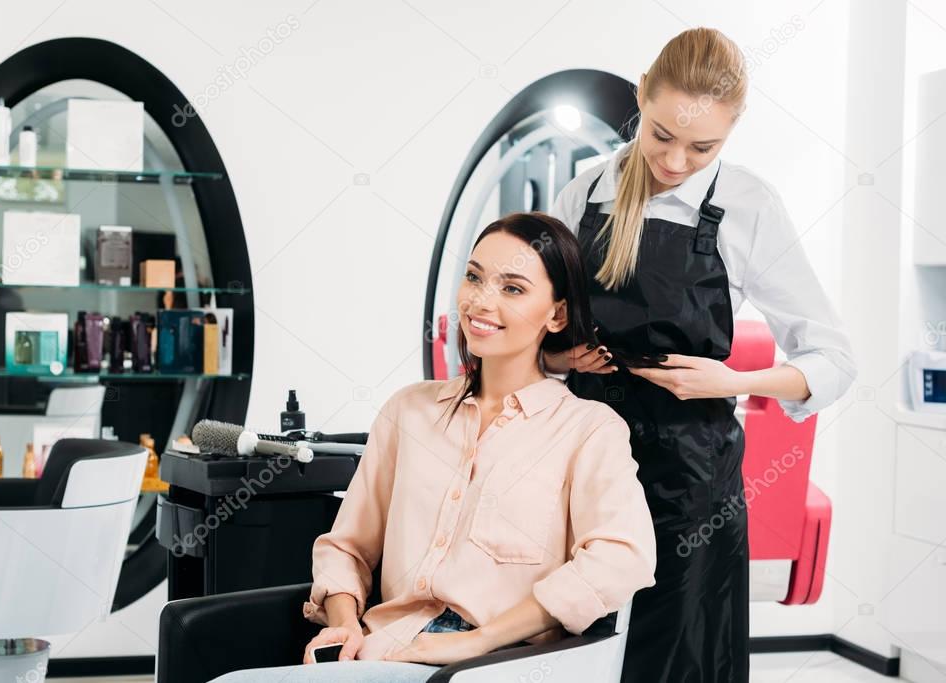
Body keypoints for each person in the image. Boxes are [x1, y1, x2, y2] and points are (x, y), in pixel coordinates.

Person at [209, 212, 656, 682]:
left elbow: (621, 558)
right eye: (474, 278)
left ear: (557, 314)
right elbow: (347, 547)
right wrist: (342, 626)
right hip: (383, 652)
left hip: (499, 666)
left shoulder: (588, 429)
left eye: (512, 288)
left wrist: (479, 640)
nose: (481, 302)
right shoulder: (409, 411)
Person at [545, 27, 857, 682]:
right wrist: (561, 359)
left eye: (703, 145)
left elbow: (832, 359)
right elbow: (538, 326)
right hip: (584, 465)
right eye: (661, 135)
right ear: (641, 98)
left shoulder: (748, 207)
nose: (677, 160)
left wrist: (732, 379)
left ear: (733, 130)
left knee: (677, 661)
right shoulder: (585, 192)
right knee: (577, 652)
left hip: (690, 486)